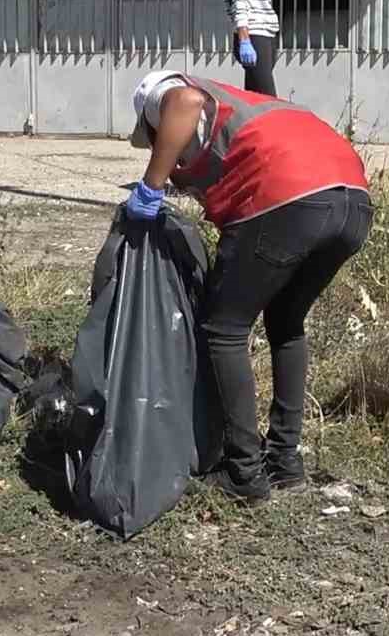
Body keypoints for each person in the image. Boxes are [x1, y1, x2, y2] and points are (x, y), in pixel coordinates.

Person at [123, 70, 372, 504]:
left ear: (153, 119)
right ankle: (285, 461)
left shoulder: (174, 93)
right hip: (353, 204)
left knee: (225, 329)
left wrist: (151, 186)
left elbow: (183, 100)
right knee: (286, 321)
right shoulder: (252, 109)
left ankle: (244, 473)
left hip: (289, 197)